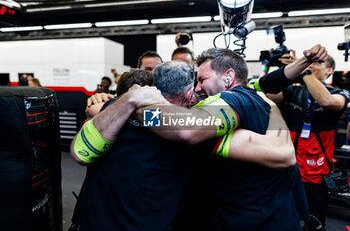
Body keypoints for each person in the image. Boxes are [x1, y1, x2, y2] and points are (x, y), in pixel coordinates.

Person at [71, 61, 297, 231]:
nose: (200, 89)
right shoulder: (198, 137)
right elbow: (284, 154)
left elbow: (80, 153)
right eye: (197, 83)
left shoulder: (113, 110)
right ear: (188, 93)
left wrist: (128, 102)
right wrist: (273, 109)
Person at [254, 53, 350, 231]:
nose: (311, 65)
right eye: (309, 63)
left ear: (329, 70)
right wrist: (278, 71)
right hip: (287, 168)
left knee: (313, 223)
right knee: (283, 220)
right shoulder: (293, 91)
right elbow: (261, 94)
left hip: (316, 174)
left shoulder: (339, 93)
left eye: (318, 62)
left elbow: (326, 101)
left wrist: (304, 71)